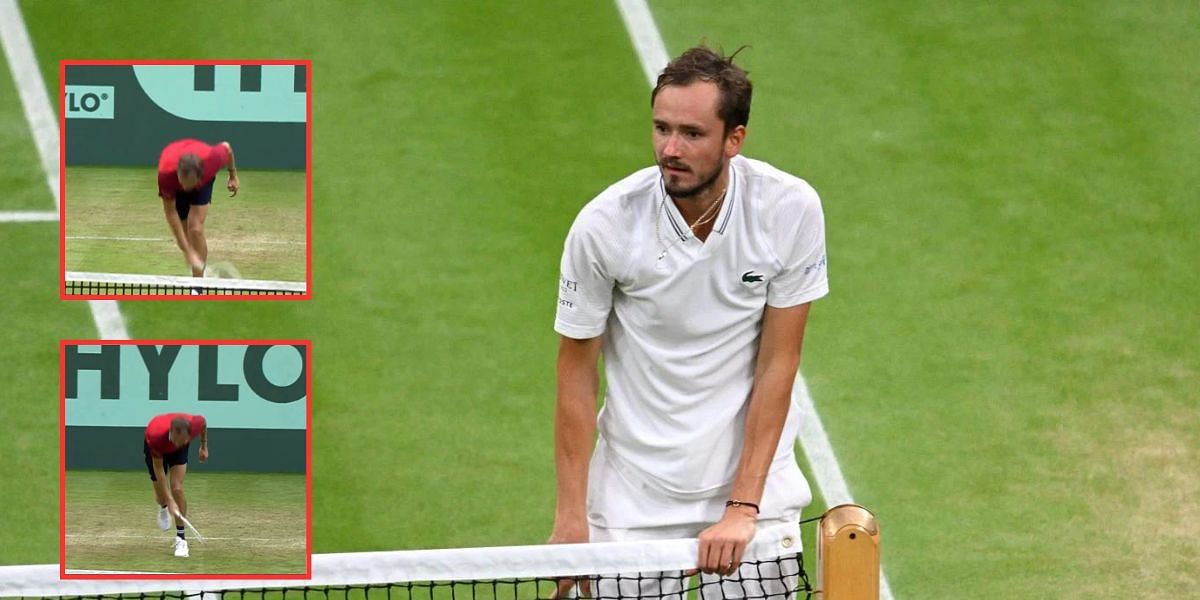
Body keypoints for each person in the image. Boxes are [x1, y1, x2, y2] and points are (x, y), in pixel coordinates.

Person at [551, 46, 828, 596]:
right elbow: (576, 374)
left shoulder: (788, 209)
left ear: (735, 139)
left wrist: (743, 504)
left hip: (754, 496)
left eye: (692, 134)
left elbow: (780, 361)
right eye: (661, 128)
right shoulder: (604, 226)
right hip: (632, 499)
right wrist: (570, 516)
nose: (669, 149)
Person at [157, 139, 239, 277]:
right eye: (184, 183)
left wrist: (232, 175)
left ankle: (198, 286)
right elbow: (171, 214)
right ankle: (199, 268)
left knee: (195, 228)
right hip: (176, 187)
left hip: (201, 183)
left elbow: (227, 147)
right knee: (185, 237)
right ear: (178, 174)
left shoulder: (213, 159)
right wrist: (189, 252)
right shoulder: (166, 175)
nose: (187, 188)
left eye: (190, 184)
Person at [144, 413, 208, 558]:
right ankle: (163, 506)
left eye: (184, 441)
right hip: (157, 449)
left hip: (177, 452)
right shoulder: (156, 436)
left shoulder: (193, 426)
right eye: (178, 441)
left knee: (177, 488)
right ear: (171, 433)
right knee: (161, 497)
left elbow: (204, 423)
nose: (180, 443)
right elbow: (159, 471)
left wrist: (203, 446)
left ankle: (181, 538)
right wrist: (169, 501)